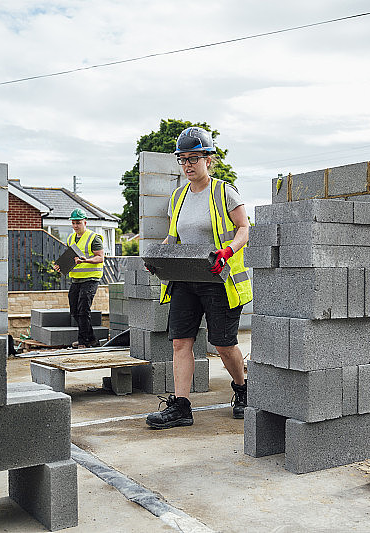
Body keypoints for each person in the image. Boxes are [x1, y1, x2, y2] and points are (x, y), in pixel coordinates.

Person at [146, 126, 252, 429]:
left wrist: (228, 251)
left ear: (209, 158)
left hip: (220, 280)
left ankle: (243, 388)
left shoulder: (224, 192)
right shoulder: (177, 197)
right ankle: (181, 407)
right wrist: (158, 259)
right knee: (181, 342)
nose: (188, 165)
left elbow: (244, 229)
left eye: (194, 158)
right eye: (183, 159)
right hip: (185, 281)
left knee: (222, 343)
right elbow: (172, 239)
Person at [62, 208, 105, 348]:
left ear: (85, 222)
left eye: (78, 223)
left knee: (83, 310)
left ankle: (83, 342)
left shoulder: (94, 238)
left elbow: (100, 258)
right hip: (76, 279)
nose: (75, 226)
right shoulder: (70, 238)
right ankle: (91, 339)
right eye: (73, 223)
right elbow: (70, 259)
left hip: (91, 278)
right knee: (74, 310)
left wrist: (86, 261)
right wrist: (60, 266)